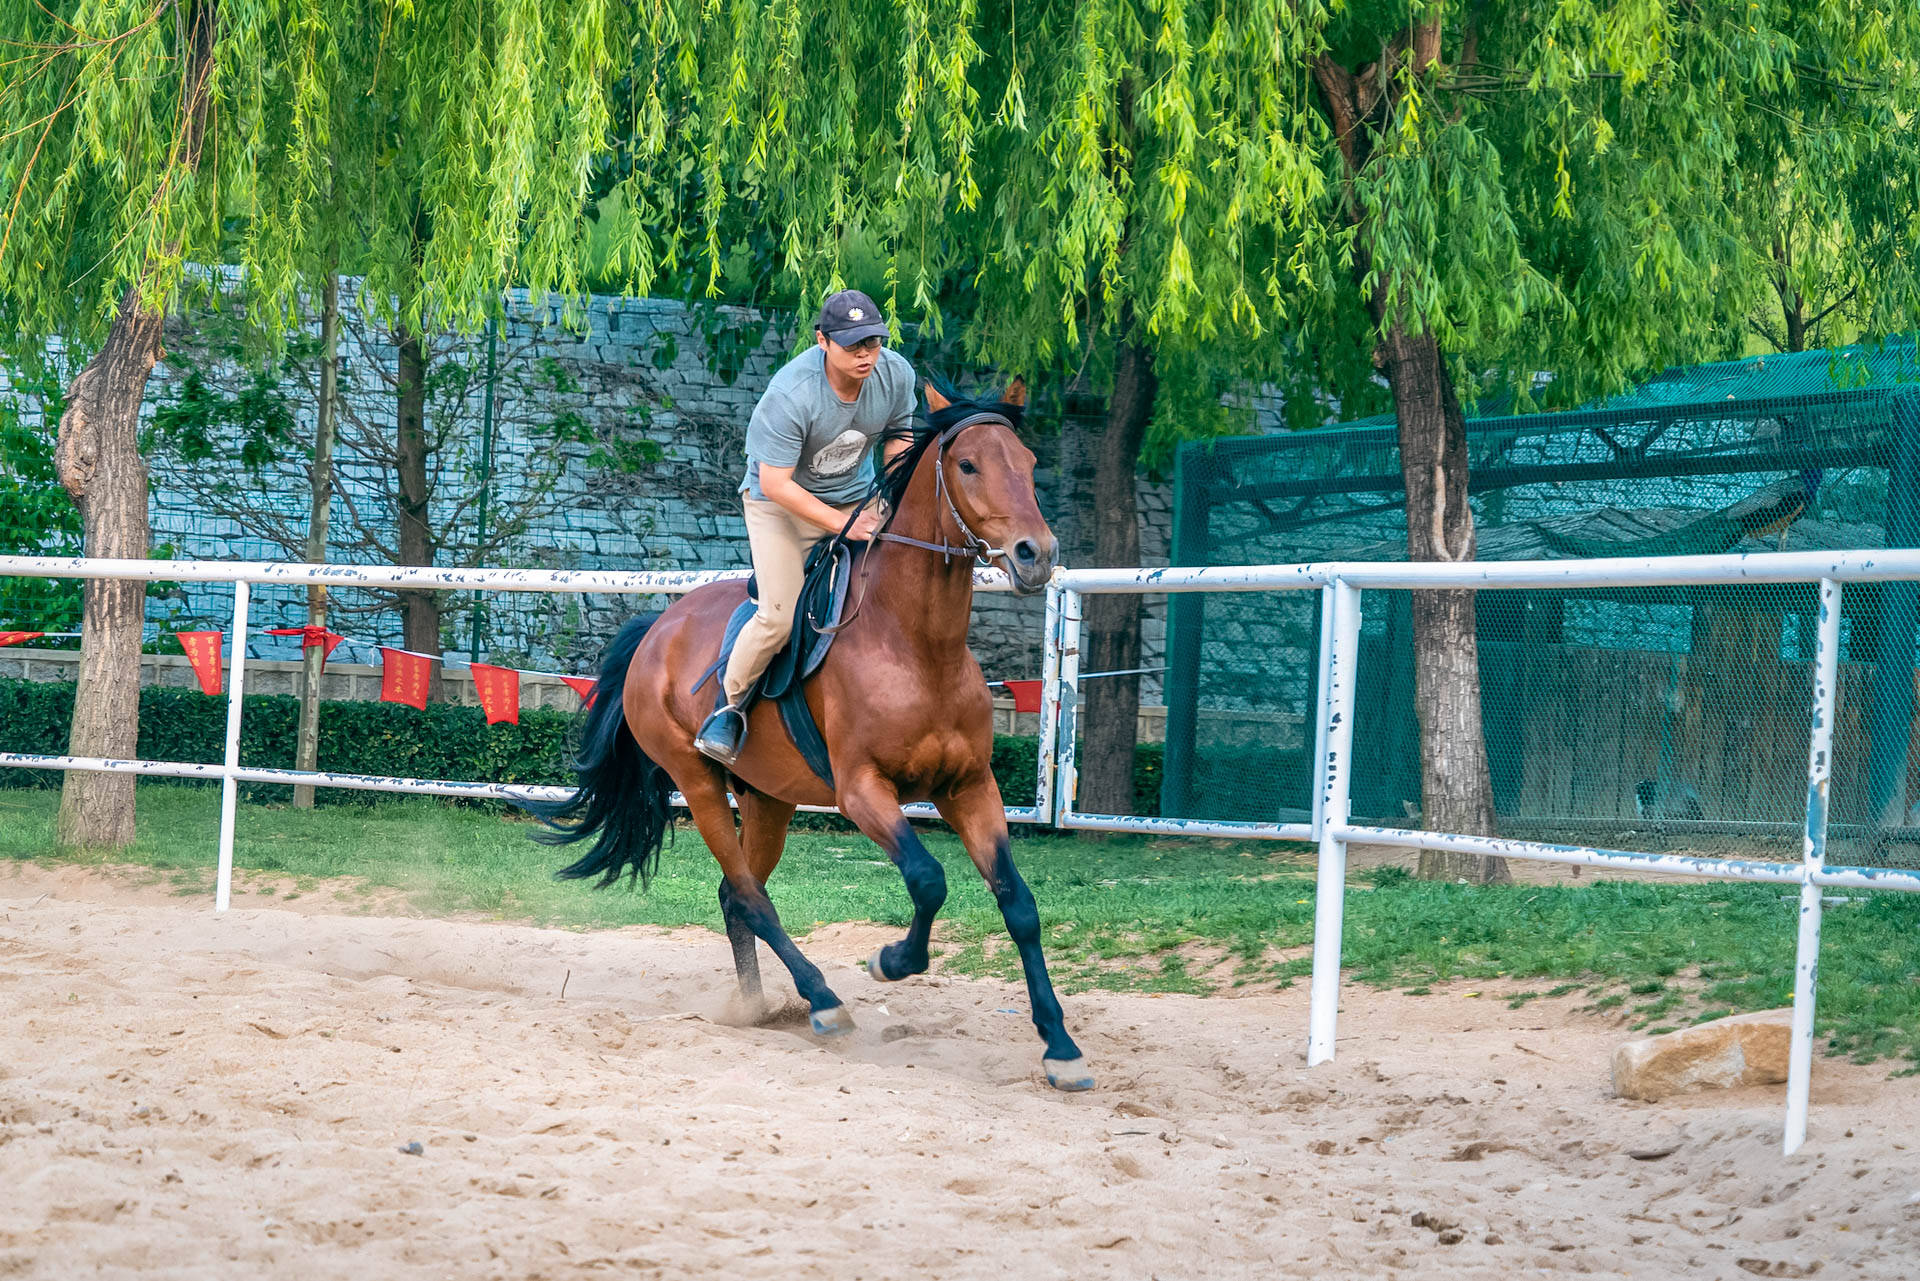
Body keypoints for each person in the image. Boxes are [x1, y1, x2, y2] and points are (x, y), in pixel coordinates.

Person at [693, 289, 917, 766]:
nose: (865, 355)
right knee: (778, 615)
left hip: (855, 495)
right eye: (853, 345)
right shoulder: (791, 393)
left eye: (873, 343)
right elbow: (774, 482)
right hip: (780, 505)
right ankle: (728, 709)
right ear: (822, 341)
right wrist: (843, 525)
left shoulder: (895, 373)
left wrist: (891, 498)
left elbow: (901, 435)